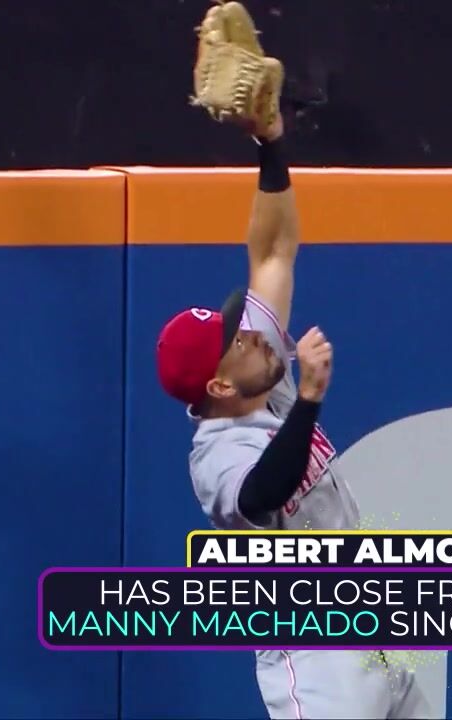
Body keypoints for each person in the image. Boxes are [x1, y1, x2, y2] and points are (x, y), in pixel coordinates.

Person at [154, 108, 433, 718]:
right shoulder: (217, 454)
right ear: (220, 383)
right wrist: (308, 398)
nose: (253, 335)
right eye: (236, 339)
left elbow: (274, 250)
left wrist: (271, 142)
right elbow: (261, 492)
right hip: (316, 658)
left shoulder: (259, 377)